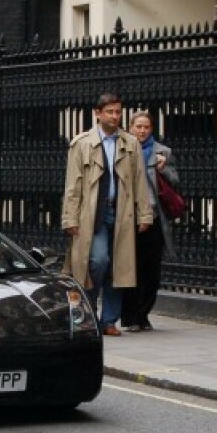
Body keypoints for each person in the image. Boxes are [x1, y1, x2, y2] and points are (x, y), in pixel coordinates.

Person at [61, 92, 154, 336]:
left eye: (118, 112)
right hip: (92, 214)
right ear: (98, 113)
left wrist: (145, 214)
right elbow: (72, 185)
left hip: (122, 212)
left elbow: (139, 182)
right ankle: (89, 312)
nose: (115, 116)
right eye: (110, 112)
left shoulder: (130, 143)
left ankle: (109, 320)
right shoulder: (81, 143)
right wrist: (69, 218)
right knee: (97, 261)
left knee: (119, 266)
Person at [121, 111, 178, 331]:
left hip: (154, 217)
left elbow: (176, 182)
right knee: (130, 269)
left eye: (146, 127)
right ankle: (131, 317)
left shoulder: (163, 152)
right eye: (138, 127)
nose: (142, 131)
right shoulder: (123, 150)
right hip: (129, 217)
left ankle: (143, 314)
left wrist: (163, 169)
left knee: (151, 271)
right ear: (131, 128)